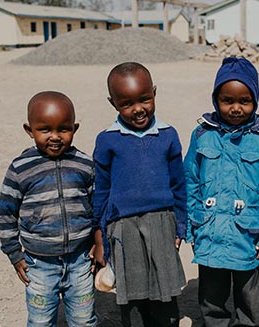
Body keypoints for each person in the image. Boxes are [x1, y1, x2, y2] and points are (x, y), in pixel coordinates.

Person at [184, 56, 259, 327]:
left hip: (247, 236)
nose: (236, 108)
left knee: (248, 301)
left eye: (245, 101)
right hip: (210, 232)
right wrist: (192, 228)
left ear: (255, 101)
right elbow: (190, 181)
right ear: (216, 100)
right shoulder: (202, 135)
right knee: (211, 300)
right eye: (228, 100)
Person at [92, 62, 187, 327]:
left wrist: (180, 227)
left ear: (154, 92)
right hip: (122, 228)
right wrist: (99, 237)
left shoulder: (167, 135)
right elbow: (102, 190)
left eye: (144, 99)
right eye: (127, 104)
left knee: (164, 290)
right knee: (132, 294)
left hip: (161, 223)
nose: (138, 109)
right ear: (113, 103)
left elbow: (178, 184)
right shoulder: (108, 140)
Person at [0, 91, 97, 326]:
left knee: (84, 321)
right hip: (38, 264)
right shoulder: (20, 169)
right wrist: (13, 252)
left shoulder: (84, 164)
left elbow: (96, 206)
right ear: (29, 130)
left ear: (75, 127)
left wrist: (97, 242)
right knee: (40, 322)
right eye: (45, 130)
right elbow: (6, 213)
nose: (55, 137)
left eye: (63, 129)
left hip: (80, 260)